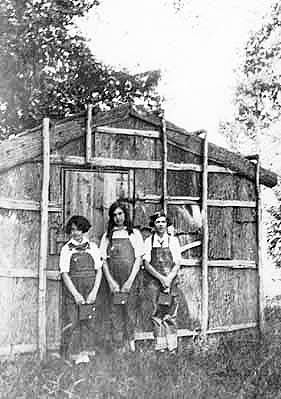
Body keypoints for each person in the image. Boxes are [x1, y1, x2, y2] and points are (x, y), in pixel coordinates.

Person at [100, 201, 144, 352]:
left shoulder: (134, 234)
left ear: (125, 215)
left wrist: (130, 281)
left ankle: (130, 342)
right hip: (114, 280)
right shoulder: (107, 236)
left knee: (130, 310)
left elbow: (139, 258)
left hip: (130, 279)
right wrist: (111, 282)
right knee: (115, 311)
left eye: (120, 214)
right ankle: (118, 345)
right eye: (114, 215)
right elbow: (103, 260)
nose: (118, 218)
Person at [60, 215, 102, 364]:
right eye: (72, 230)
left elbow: (99, 271)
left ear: (84, 230)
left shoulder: (93, 247)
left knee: (89, 321)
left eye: (78, 230)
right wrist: (76, 294)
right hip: (74, 290)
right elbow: (64, 273)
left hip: (90, 289)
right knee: (74, 321)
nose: (75, 233)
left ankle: (87, 353)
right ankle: (74, 354)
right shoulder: (66, 249)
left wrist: (94, 292)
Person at [143, 210, 182, 353]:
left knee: (170, 313)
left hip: (171, 282)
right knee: (156, 312)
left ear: (167, 224)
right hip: (154, 282)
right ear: (153, 224)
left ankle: (172, 346)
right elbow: (146, 264)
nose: (160, 225)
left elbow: (177, 262)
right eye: (158, 222)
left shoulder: (173, 241)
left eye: (163, 222)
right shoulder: (148, 241)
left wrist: (169, 279)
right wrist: (161, 279)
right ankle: (160, 346)